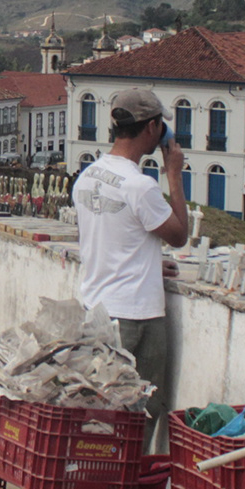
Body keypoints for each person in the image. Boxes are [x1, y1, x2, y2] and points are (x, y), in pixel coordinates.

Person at [69, 86, 188, 437]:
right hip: (137, 316)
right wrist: (174, 174)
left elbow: (112, 237)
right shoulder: (140, 186)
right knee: (140, 419)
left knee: (100, 414)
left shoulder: (88, 176)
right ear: (152, 128)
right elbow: (179, 235)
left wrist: (149, 261)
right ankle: (132, 488)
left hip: (97, 308)